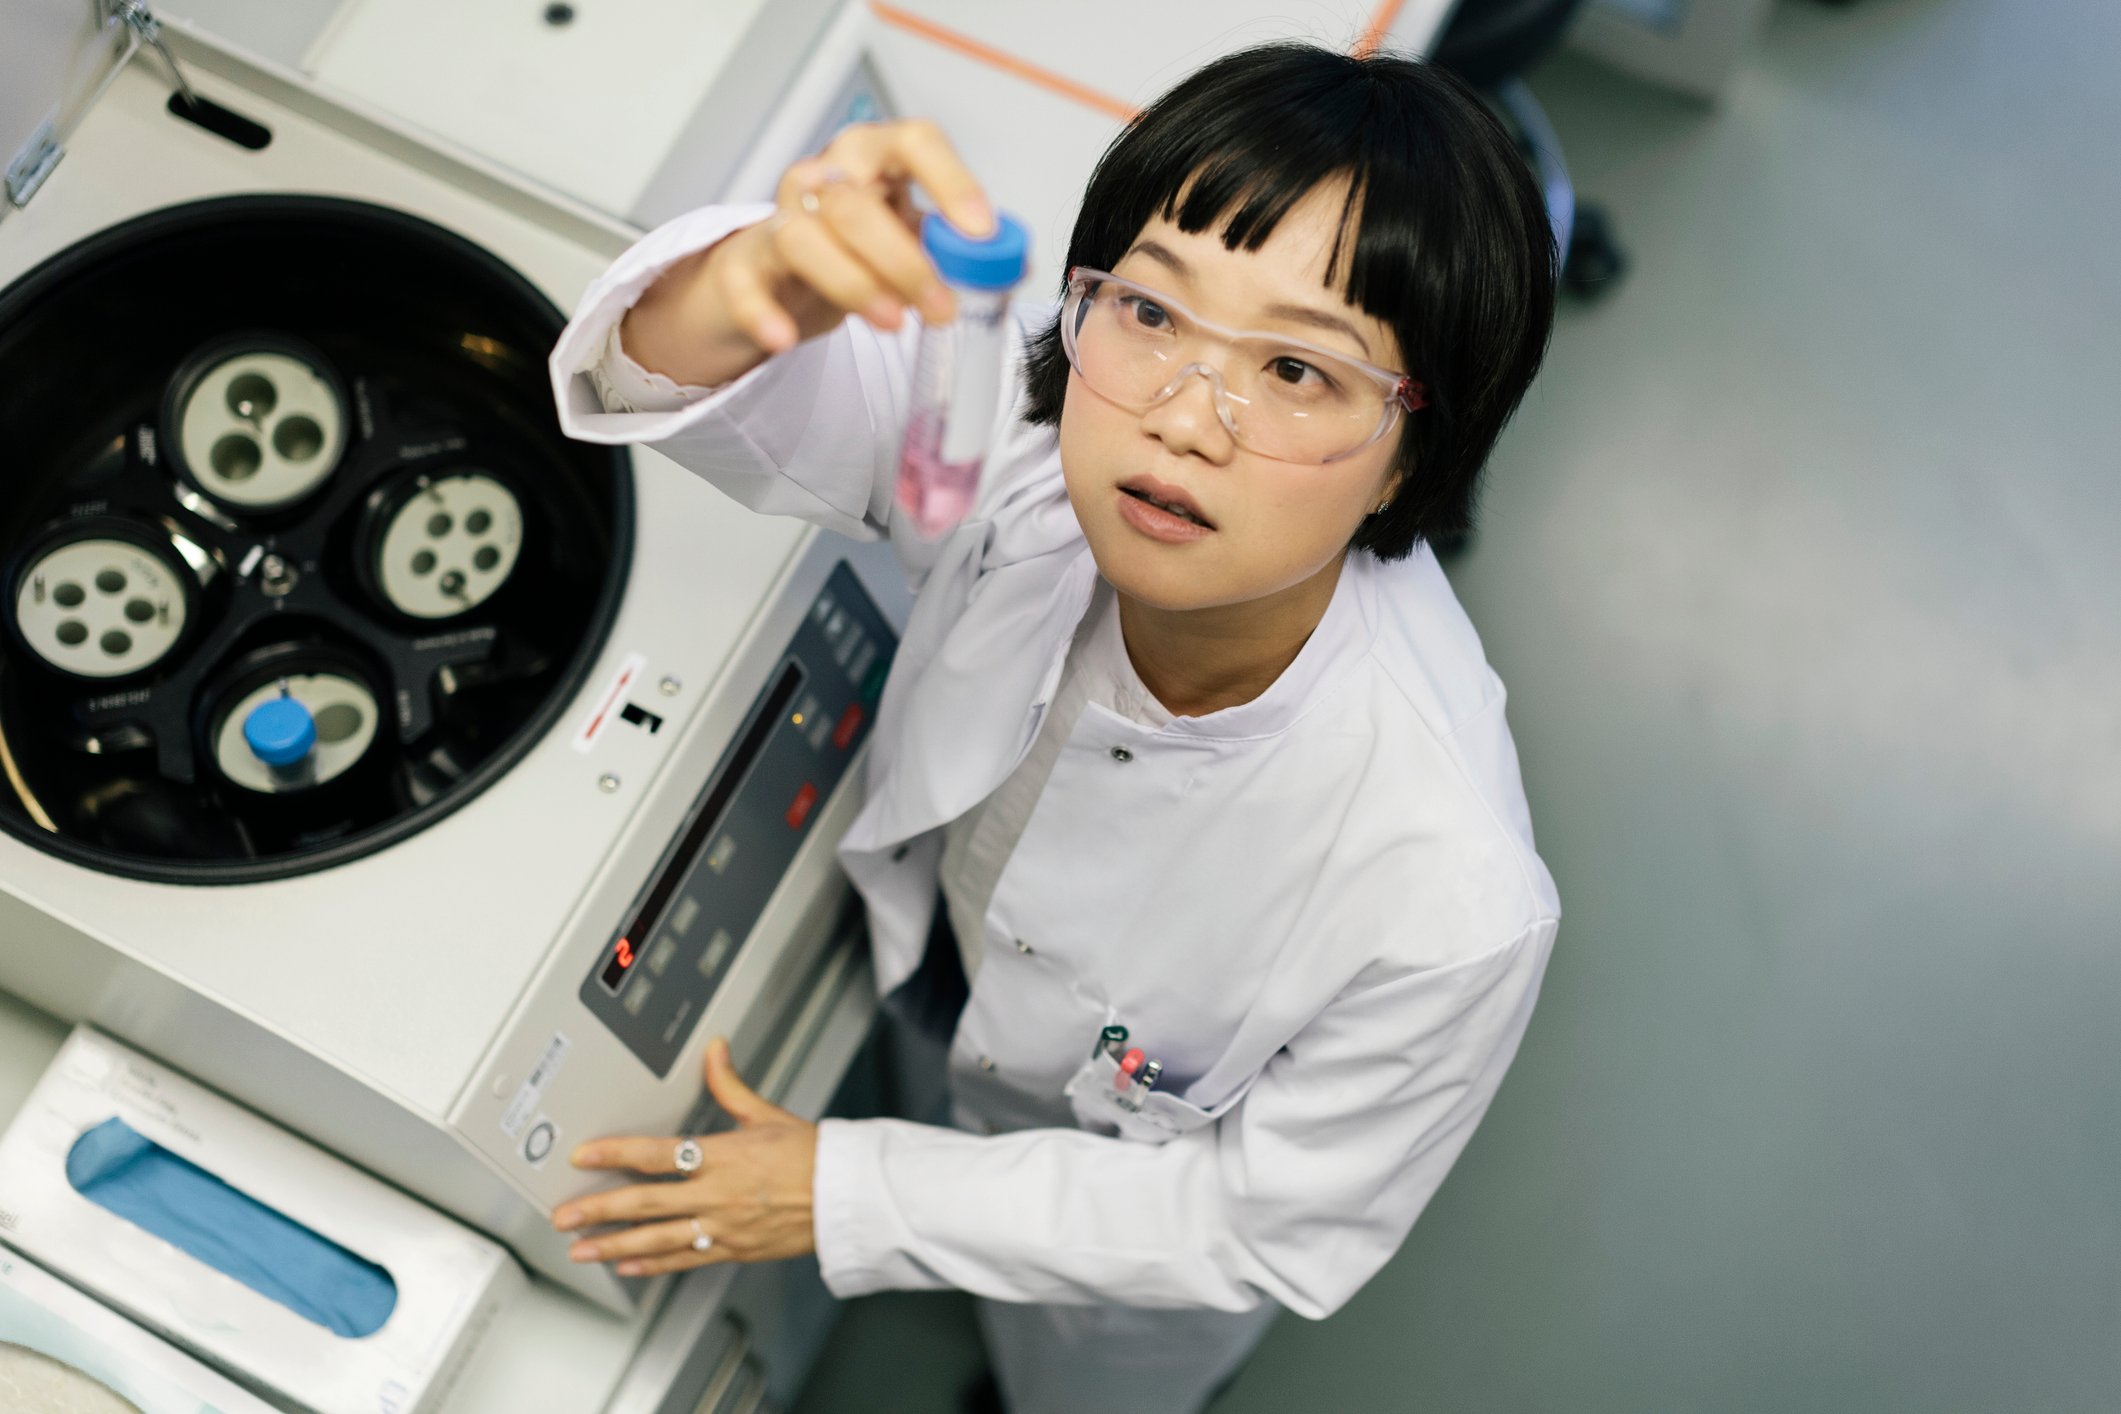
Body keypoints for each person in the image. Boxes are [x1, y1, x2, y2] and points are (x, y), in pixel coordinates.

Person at [545, 40, 1560, 1414]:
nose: (1181, 419)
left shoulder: (1449, 895)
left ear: (1413, 453)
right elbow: (674, 379)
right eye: (1150, 308)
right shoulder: (1026, 455)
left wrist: (849, 1193)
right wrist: (752, 280)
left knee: (1076, 1383)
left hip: (1126, 1279)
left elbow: (1259, 1220)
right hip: (948, 993)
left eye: (1295, 369)